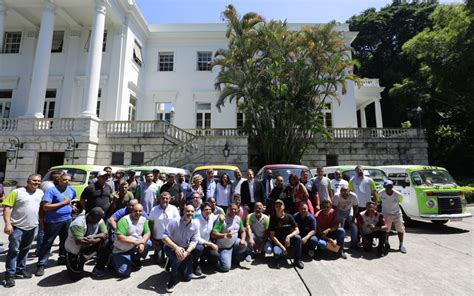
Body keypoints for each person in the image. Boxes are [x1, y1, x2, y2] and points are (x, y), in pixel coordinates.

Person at [2, 174, 43, 288]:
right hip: (17, 228)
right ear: (28, 181)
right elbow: (7, 207)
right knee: (13, 251)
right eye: (34, 180)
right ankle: (9, 275)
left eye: (39, 181)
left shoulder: (40, 193)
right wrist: (7, 224)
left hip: (33, 227)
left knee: (25, 250)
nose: (37, 183)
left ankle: (20, 270)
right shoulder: (17, 192)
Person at [36, 173, 75, 277]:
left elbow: (71, 201)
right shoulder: (51, 191)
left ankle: (62, 258)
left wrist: (72, 206)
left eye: (69, 180)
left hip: (67, 219)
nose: (67, 181)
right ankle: (41, 264)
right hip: (53, 221)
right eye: (65, 180)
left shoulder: (71, 190)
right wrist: (63, 203)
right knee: (47, 242)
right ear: (59, 180)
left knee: (65, 240)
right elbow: (46, 207)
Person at [162, 204, 200, 293]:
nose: (189, 213)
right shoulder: (175, 222)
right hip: (171, 247)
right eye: (187, 211)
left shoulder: (196, 224)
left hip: (185, 250)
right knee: (177, 256)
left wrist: (187, 252)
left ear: (194, 213)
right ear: (183, 212)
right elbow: (164, 237)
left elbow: (194, 241)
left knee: (188, 277)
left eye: (192, 211)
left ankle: (172, 262)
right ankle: (172, 279)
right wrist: (176, 247)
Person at [64, 207, 109, 279]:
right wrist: (99, 236)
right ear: (90, 216)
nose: (99, 220)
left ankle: (98, 267)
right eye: (97, 219)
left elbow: (106, 235)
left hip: (88, 246)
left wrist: (94, 239)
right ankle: (72, 261)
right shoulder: (78, 223)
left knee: (106, 243)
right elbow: (79, 242)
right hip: (74, 250)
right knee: (76, 277)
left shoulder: (99, 220)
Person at [111, 203, 152, 277]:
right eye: (136, 211)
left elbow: (147, 233)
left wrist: (142, 243)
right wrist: (137, 242)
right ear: (132, 211)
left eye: (140, 211)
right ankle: (113, 261)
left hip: (133, 246)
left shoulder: (144, 219)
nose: (138, 213)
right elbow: (120, 237)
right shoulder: (124, 220)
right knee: (124, 273)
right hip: (121, 250)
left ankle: (135, 258)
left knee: (148, 243)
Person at [211, 203, 252, 272]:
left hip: (234, 244)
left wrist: (242, 239)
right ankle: (215, 260)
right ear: (227, 210)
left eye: (235, 209)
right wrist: (225, 235)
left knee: (244, 244)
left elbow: (243, 231)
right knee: (226, 268)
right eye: (231, 209)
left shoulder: (238, 218)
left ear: (238, 210)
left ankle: (233, 257)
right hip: (224, 247)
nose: (233, 211)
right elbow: (213, 234)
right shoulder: (222, 220)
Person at [268, 199, 304, 269]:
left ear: (283, 207)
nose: (278, 207)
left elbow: (297, 230)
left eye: (280, 206)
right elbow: (272, 236)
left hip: (288, 241)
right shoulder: (272, 219)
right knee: (277, 253)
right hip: (278, 242)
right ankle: (280, 257)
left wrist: (288, 236)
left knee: (298, 238)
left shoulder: (289, 217)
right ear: (274, 208)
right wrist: (282, 247)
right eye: (276, 206)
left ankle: (297, 260)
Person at [148, 192, 180, 265]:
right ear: (159, 199)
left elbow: (177, 224)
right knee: (159, 261)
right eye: (163, 198)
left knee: (172, 257)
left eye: (167, 198)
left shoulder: (174, 209)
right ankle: (158, 252)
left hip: (170, 239)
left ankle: (166, 253)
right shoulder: (154, 209)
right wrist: (152, 239)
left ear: (170, 199)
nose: (165, 200)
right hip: (158, 239)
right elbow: (150, 224)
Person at [192, 202, 220, 275]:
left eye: (209, 209)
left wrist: (221, 216)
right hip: (197, 244)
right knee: (199, 248)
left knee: (216, 255)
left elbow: (218, 215)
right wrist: (211, 244)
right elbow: (197, 238)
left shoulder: (211, 217)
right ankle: (195, 264)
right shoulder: (196, 221)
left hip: (207, 243)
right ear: (202, 211)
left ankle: (203, 261)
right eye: (206, 209)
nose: (208, 211)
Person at [379, 180, 406, 254]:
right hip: (386, 213)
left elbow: (400, 201)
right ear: (384, 187)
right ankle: (386, 244)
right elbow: (378, 201)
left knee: (400, 229)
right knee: (386, 230)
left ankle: (401, 244)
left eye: (390, 186)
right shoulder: (381, 193)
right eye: (387, 186)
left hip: (396, 213)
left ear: (392, 186)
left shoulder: (398, 194)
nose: (389, 188)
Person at [332, 183, 359, 249]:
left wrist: (354, 218)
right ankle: (340, 245)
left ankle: (354, 244)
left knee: (354, 225)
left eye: (346, 190)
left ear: (349, 191)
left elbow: (355, 207)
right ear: (340, 191)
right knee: (340, 228)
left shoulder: (353, 196)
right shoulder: (336, 196)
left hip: (349, 210)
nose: (344, 192)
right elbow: (334, 208)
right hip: (339, 211)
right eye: (342, 191)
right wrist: (336, 219)